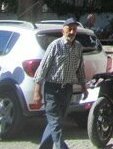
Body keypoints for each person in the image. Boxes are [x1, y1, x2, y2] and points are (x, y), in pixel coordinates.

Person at [33, 17, 88, 149]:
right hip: (52, 90)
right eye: (69, 29)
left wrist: (84, 88)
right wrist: (37, 92)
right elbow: (42, 68)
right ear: (63, 30)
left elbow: (80, 69)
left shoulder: (78, 47)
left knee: (56, 122)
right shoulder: (55, 46)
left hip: (67, 90)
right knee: (56, 123)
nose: (71, 32)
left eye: (74, 29)